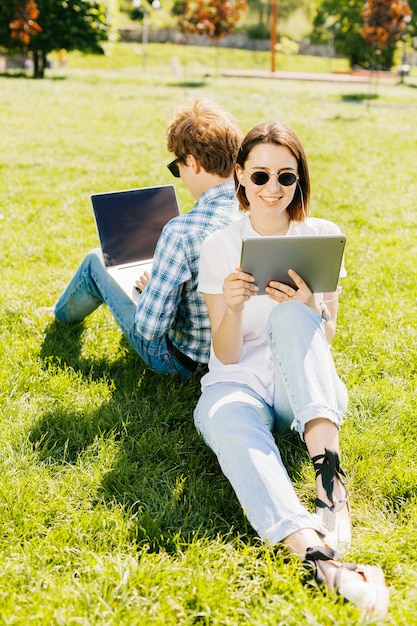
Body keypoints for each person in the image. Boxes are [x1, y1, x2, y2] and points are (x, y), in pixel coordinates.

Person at [193, 120, 390, 618]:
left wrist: (310, 308)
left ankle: (331, 489)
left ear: (299, 180)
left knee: (289, 314)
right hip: (238, 379)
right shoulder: (220, 246)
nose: (273, 189)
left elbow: (322, 340)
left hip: (300, 385)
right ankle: (319, 558)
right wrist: (233, 307)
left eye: (286, 177)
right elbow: (229, 354)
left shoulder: (321, 237)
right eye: (260, 176)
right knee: (223, 420)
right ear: (239, 177)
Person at [40, 98, 243, 377]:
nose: (180, 176)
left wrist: (149, 291)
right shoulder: (261, 211)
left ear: (193, 164)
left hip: (184, 363)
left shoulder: (182, 231)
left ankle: (59, 316)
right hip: (242, 356)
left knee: (96, 260)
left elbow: (149, 329)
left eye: (177, 168)